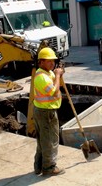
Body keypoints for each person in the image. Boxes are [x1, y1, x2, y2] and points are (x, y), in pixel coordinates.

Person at [33, 47, 65, 176]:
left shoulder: (48, 73)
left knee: (43, 140)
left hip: (45, 111)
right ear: (41, 62)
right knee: (50, 140)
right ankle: (49, 167)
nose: (52, 63)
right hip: (46, 113)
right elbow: (54, 91)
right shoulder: (41, 77)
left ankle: (39, 166)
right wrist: (57, 75)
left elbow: (59, 85)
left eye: (53, 61)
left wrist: (59, 75)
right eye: (48, 61)